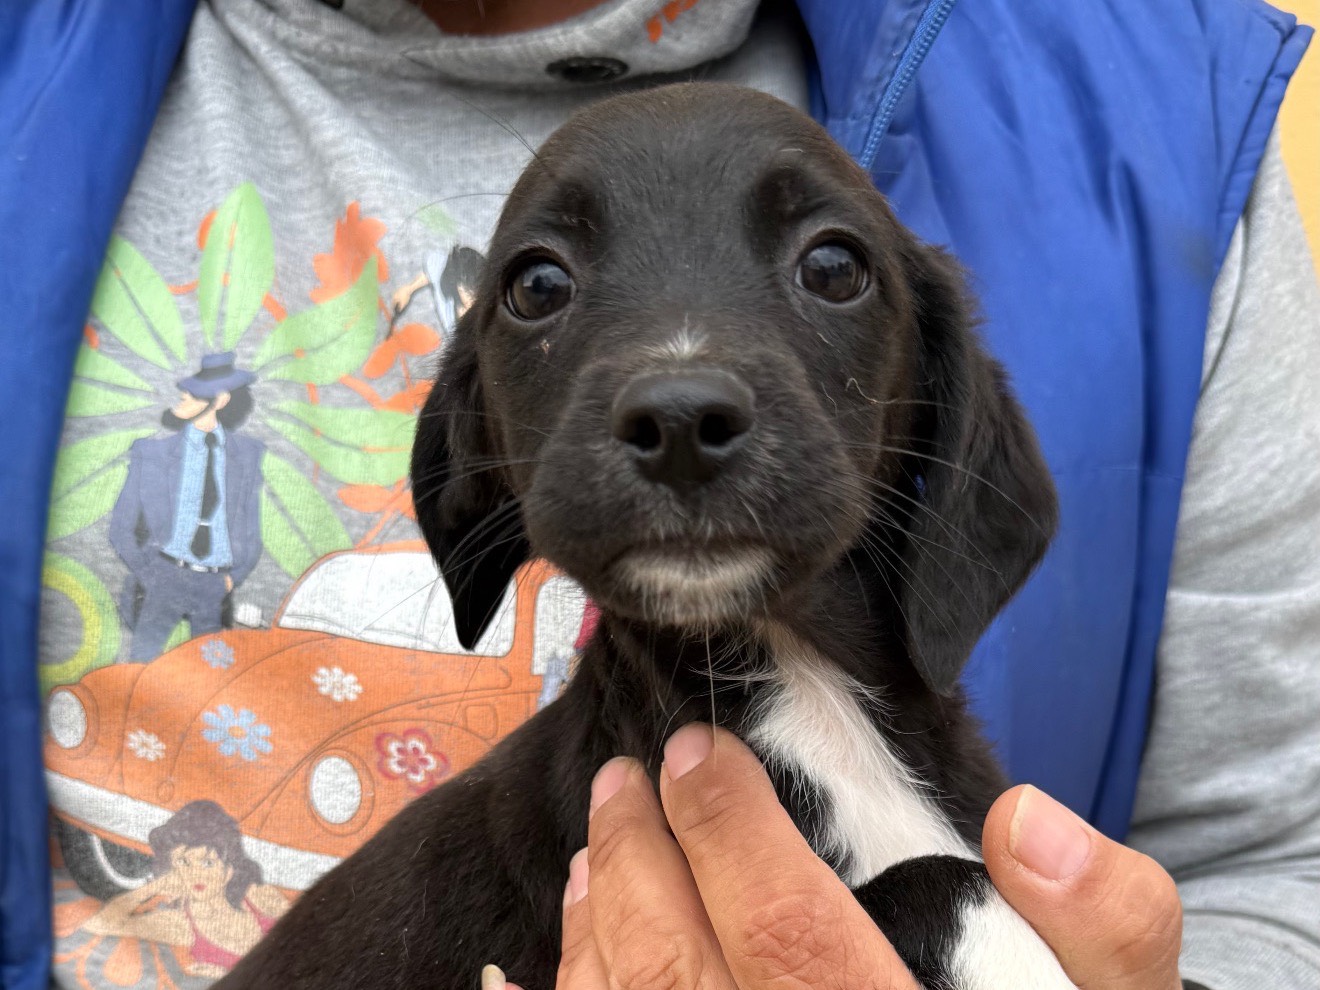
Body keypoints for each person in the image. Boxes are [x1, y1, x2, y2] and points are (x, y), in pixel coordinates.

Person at [2, 1, 1316, 988]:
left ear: (940, 412)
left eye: (829, 271)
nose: (679, 394)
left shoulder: (1158, 104)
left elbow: (1280, 862)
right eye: (543, 291)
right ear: (473, 457)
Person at [83, 801, 288, 979]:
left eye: (207, 863)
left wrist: (228, 973)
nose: (195, 874)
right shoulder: (181, 925)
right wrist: (153, 887)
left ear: (229, 869)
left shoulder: (257, 896)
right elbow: (98, 924)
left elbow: (303, 944)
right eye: (184, 862)